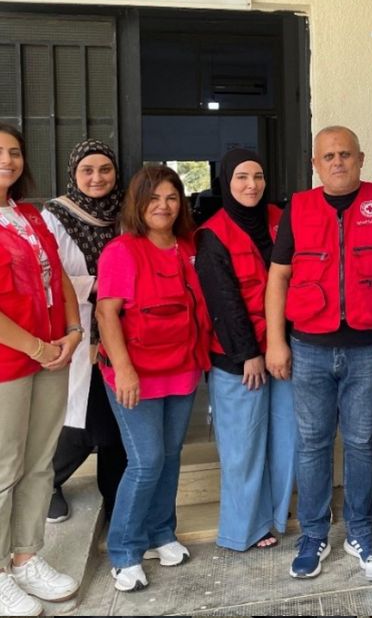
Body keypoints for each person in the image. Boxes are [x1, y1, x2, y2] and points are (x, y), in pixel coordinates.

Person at [265, 125, 372, 579]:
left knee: (361, 443)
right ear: (316, 164)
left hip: (368, 348)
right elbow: (278, 278)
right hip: (310, 347)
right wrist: (276, 341)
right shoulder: (299, 207)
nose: (338, 162)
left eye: (346, 154)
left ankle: (361, 528)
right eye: (329, 156)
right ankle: (313, 534)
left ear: (361, 158)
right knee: (312, 445)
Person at [95, 165, 211, 593]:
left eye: (172, 197)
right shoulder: (122, 251)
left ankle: (162, 533)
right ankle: (124, 550)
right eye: (154, 198)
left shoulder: (185, 247)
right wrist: (123, 368)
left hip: (180, 368)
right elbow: (107, 312)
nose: (163, 206)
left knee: (171, 456)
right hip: (135, 374)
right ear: (138, 204)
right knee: (145, 462)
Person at [195, 149, 296, 552]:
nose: (250, 185)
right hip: (241, 357)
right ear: (225, 182)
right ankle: (243, 528)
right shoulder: (212, 233)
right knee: (243, 446)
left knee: (285, 438)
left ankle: (274, 515)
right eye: (241, 177)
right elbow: (223, 301)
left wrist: (284, 343)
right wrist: (249, 353)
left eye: (257, 176)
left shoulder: (279, 219)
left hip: (284, 349)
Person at [0, 123, 82, 616]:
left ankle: (27, 555)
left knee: (39, 462)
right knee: (3, 468)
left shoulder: (30, 215)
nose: (6, 160)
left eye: (13, 152)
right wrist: (36, 346)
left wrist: (73, 331)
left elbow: (62, 278)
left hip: (51, 354)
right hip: (10, 361)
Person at [41, 139, 126, 525]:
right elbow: (48, 274)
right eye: (87, 171)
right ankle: (48, 483)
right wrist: (98, 285)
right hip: (81, 326)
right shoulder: (55, 216)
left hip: (124, 328)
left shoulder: (127, 211)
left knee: (119, 415)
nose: (97, 178)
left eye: (105, 170)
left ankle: (117, 496)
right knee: (85, 421)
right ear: (74, 174)